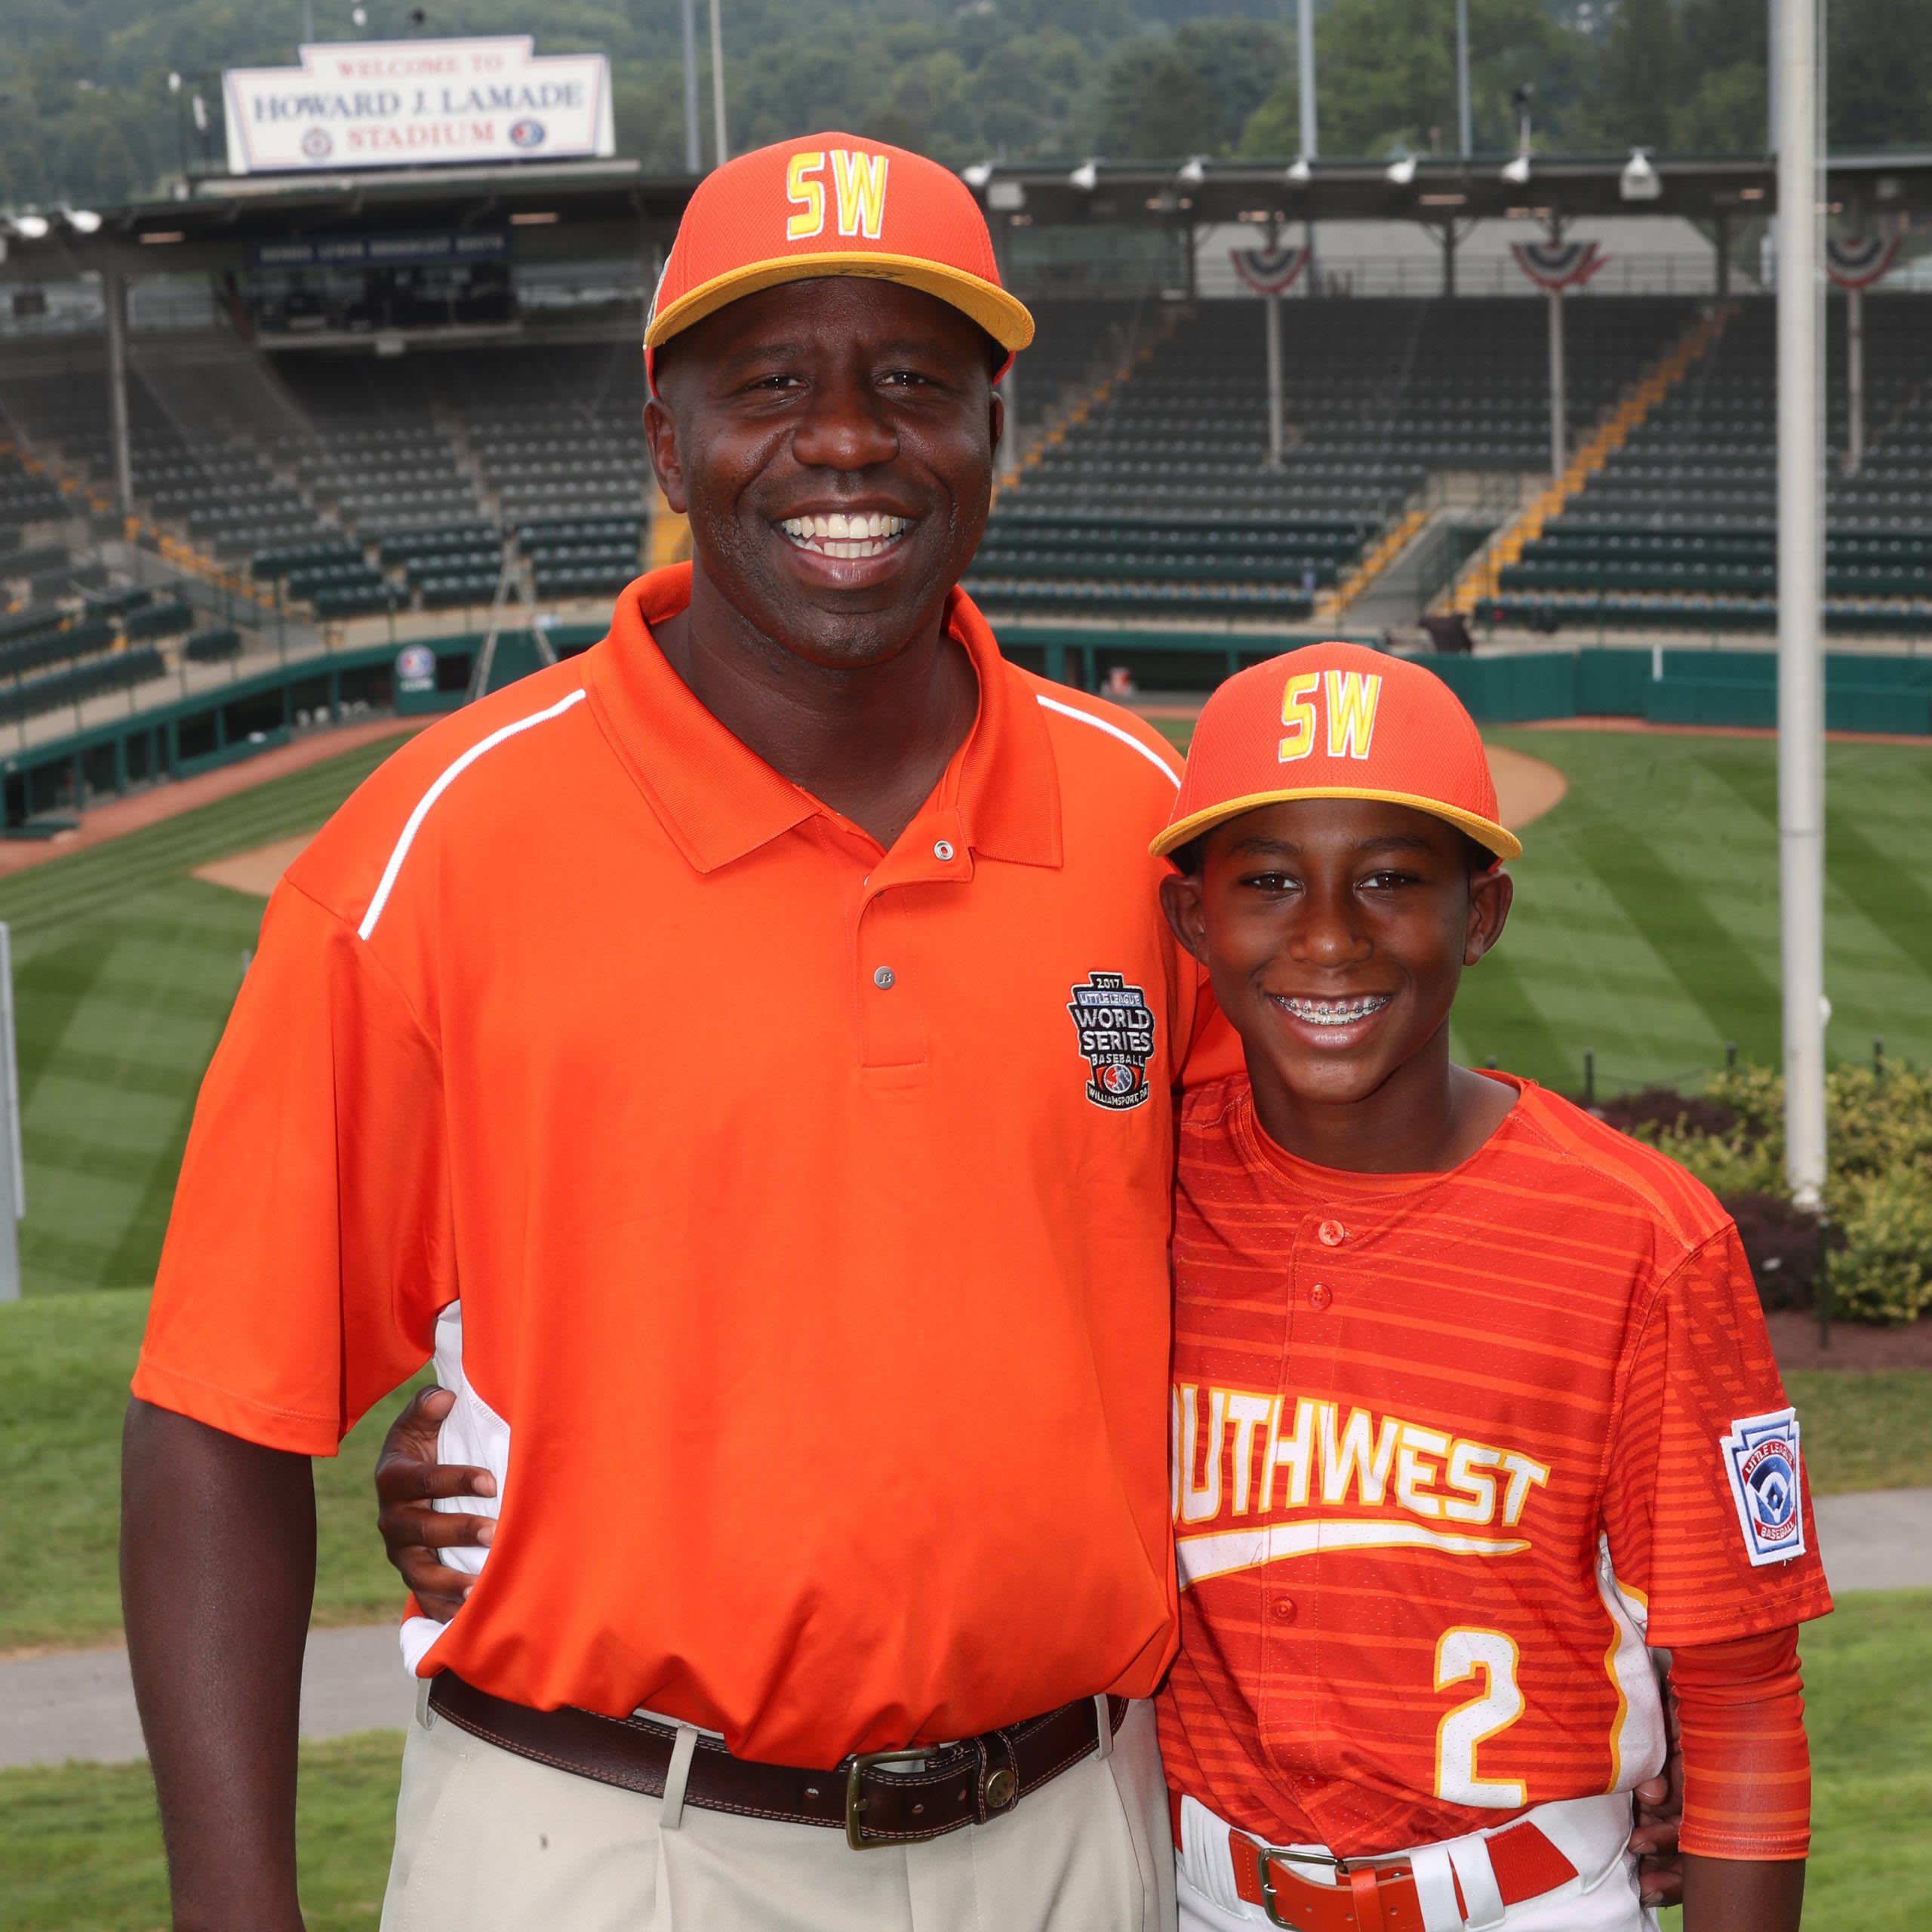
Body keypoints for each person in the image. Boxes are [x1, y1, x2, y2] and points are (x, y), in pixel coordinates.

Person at [122, 134, 1217, 1932]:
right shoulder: (439, 843)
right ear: (662, 436)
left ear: (992, 427)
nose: (847, 438)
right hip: (607, 1842)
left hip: (1076, 1826)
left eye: (911, 382)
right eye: (769, 381)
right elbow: (217, 1419)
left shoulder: (1150, 830)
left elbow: (1310, 1293)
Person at [1146, 645, 1831, 1931]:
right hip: (1192, 1893)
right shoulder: (1134, 1186)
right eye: (1270, 882)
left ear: (1482, 912)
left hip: (1526, 1900)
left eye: (1393, 880)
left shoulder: (1643, 1237)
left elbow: (1742, 1696)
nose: (1331, 937)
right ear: (1196, 922)